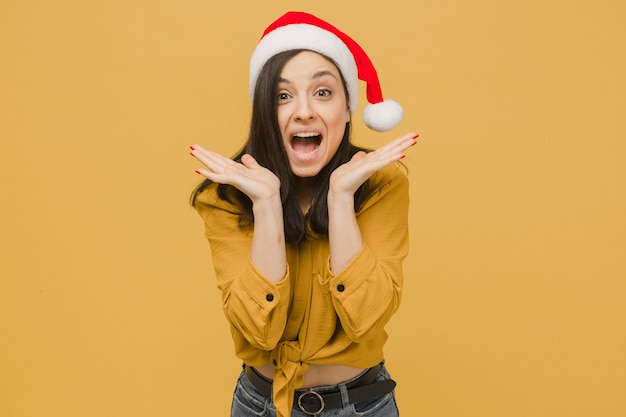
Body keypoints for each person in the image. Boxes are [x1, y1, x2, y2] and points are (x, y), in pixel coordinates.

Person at [190, 11, 417, 417]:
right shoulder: (226, 196)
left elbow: (367, 318)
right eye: (282, 95)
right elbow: (259, 332)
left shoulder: (382, 184)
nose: (304, 112)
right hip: (259, 405)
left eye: (323, 93)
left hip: (361, 406)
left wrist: (342, 199)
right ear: (263, 111)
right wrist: (266, 206)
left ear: (348, 108)